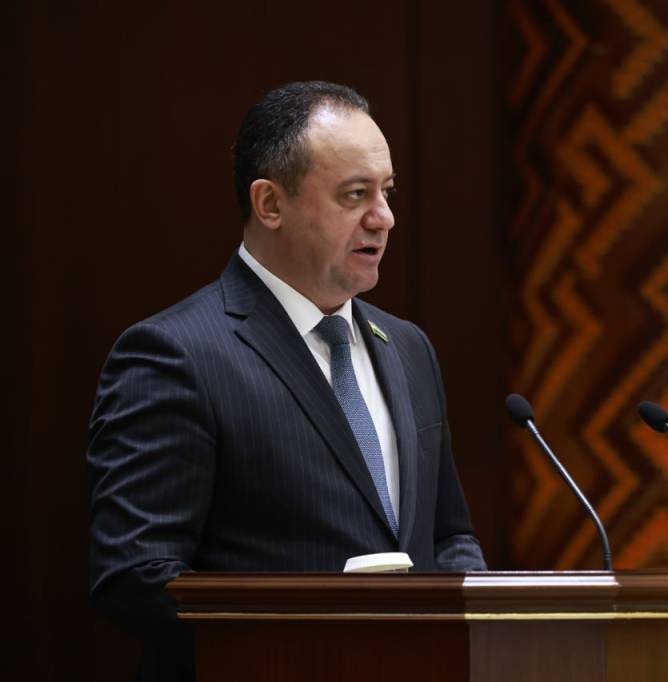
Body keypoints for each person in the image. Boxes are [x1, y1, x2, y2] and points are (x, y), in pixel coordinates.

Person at [87, 81, 486, 680]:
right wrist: (322, 642)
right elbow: (136, 578)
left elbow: (448, 536)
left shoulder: (408, 347)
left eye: (386, 192)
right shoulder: (175, 355)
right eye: (355, 195)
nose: (384, 217)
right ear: (270, 204)